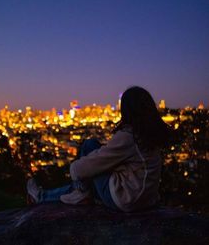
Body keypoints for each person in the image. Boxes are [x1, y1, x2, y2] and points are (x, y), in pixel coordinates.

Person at [27, 86, 171, 212]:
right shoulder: (150, 134)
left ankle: (45, 196)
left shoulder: (129, 136)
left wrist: (74, 169)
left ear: (127, 110)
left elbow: (95, 162)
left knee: (90, 146)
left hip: (126, 199)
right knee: (87, 182)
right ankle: (68, 194)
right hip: (144, 198)